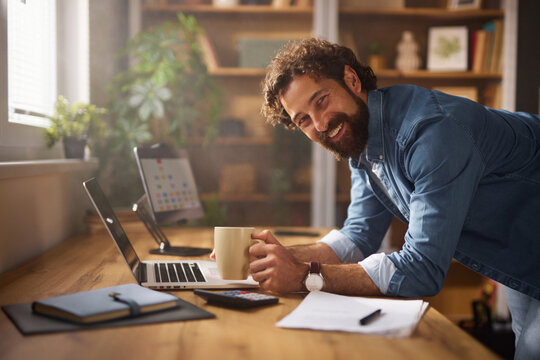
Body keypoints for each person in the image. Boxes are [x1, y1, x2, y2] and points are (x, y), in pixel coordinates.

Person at [248, 38, 540, 359]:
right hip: (525, 251)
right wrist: (274, 260)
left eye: (321, 100)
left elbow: (421, 271)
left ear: (351, 80)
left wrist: (305, 275)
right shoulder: (361, 136)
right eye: (303, 119)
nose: (319, 124)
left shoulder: (431, 132)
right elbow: (358, 236)